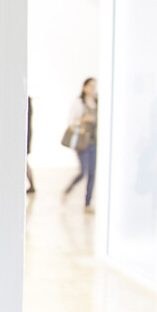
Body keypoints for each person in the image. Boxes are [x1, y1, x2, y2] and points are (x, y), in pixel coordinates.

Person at [63, 77, 98, 212]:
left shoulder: (97, 102)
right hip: (83, 142)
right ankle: (69, 188)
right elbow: (71, 121)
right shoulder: (79, 103)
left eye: (95, 86)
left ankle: (87, 203)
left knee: (92, 173)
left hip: (94, 142)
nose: (93, 89)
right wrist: (84, 119)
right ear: (84, 87)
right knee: (83, 171)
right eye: (90, 86)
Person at [26, 95, 35, 194]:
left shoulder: (25, 99)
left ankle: (32, 185)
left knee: (24, 162)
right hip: (27, 135)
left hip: (25, 135)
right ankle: (32, 185)